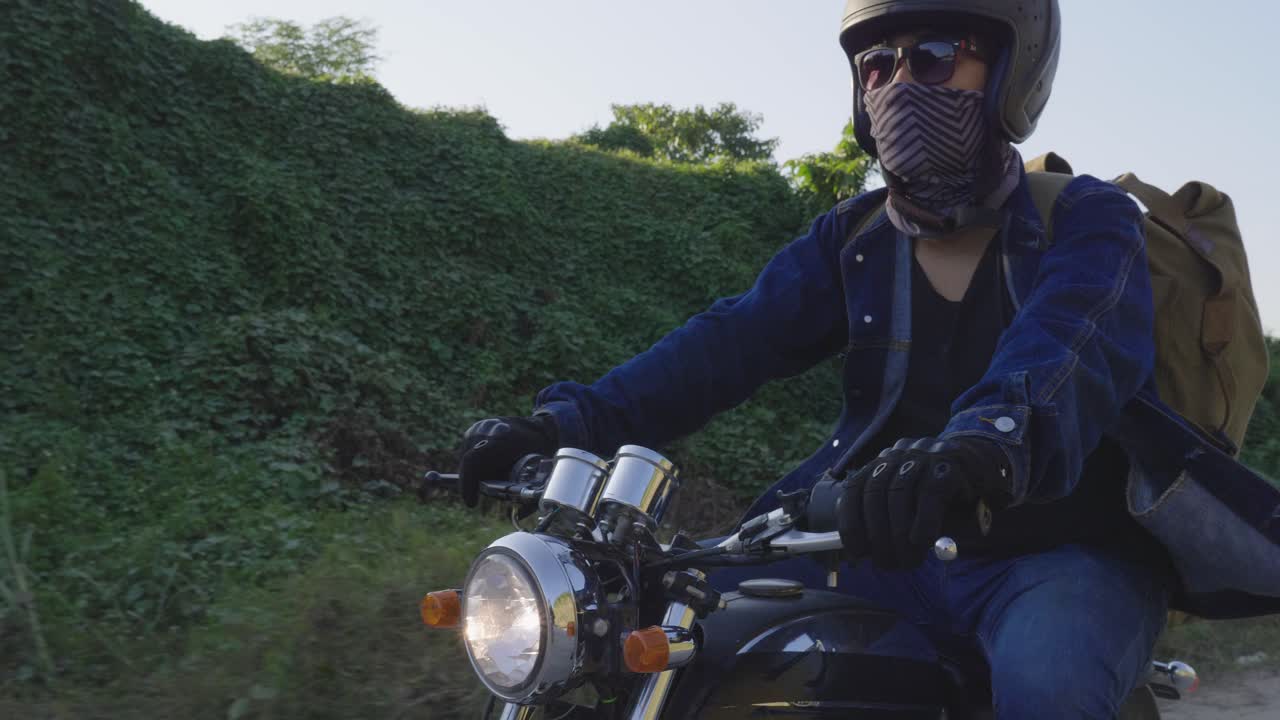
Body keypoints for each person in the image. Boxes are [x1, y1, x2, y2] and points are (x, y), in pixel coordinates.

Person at [454, 1, 1270, 717]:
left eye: (937, 57)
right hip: (882, 552)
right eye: (877, 64)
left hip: (1058, 556)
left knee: (1048, 685)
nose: (899, 84)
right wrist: (566, 424)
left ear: (1012, 74)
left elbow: (1070, 345)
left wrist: (981, 445)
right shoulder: (853, 238)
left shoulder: (1088, 219)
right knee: (685, 637)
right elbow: (724, 344)